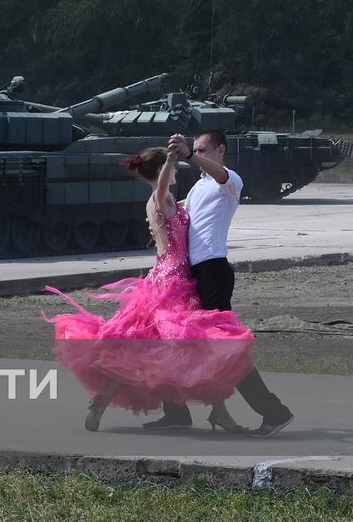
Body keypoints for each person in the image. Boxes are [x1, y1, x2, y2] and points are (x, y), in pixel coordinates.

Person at [45, 145, 255, 433]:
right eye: (173, 171)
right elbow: (162, 192)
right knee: (195, 343)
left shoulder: (168, 201)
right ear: (163, 171)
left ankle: (103, 401)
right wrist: (171, 159)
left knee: (145, 347)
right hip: (173, 279)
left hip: (171, 276)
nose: (178, 175)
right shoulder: (160, 199)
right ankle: (219, 413)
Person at [143, 130, 295, 436]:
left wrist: (186, 154)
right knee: (177, 338)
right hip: (190, 274)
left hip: (213, 270)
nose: (197, 156)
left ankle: (273, 412)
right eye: (195, 150)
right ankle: (175, 411)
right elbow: (170, 209)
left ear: (220, 150)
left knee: (224, 345)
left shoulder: (230, 181)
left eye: (203, 150)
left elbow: (219, 175)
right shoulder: (199, 187)